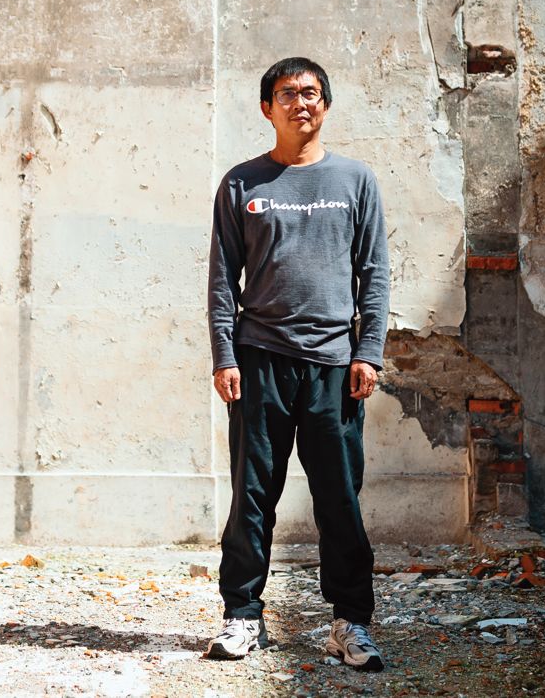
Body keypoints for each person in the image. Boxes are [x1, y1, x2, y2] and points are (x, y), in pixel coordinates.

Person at [204, 56, 391, 672]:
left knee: (340, 500)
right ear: (268, 108)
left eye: (310, 93)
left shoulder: (355, 181)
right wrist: (225, 355)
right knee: (252, 496)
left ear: (325, 105)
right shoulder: (242, 184)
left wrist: (368, 352)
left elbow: (374, 273)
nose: (300, 102)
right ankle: (242, 616)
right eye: (287, 94)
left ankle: (350, 623)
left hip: (334, 366)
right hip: (260, 360)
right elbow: (222, 279)